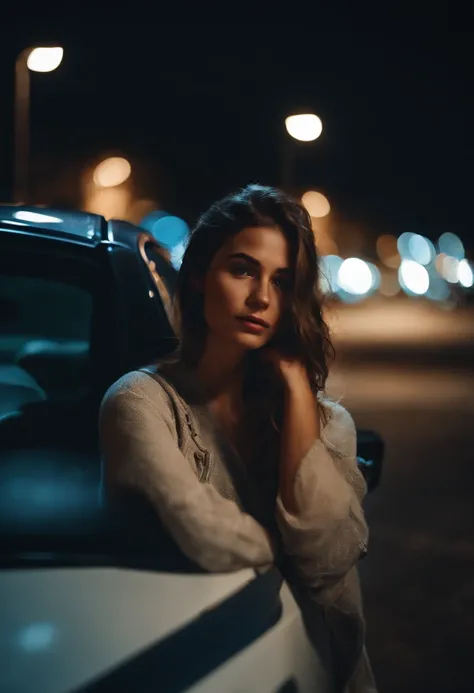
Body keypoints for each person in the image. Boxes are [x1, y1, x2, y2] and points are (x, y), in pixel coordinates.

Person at [99, 184, 377, 692]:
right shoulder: (141, 402)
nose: (262, 298)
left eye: (283, 280)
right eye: (244, 269)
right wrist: (284, 547)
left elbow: (327, 559)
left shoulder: (328, 423)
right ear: (202, 275)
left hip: (322, 673)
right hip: (196, 669)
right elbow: (207, 536)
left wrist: (296, 393)